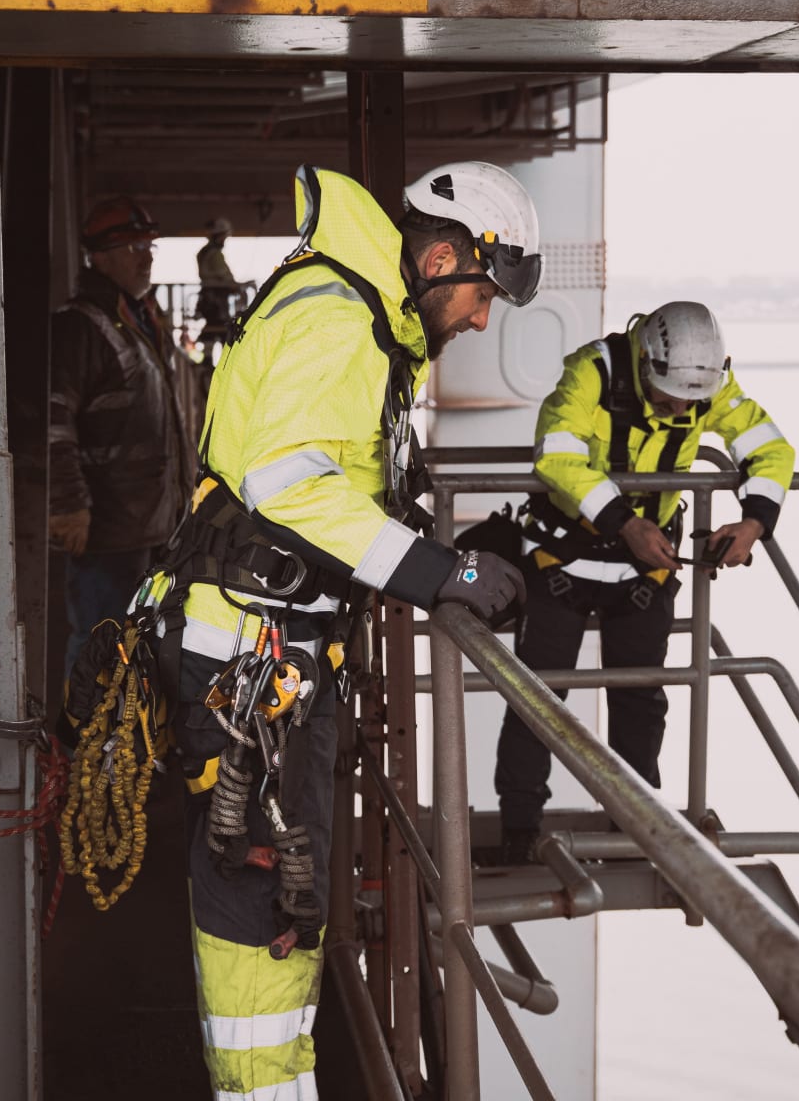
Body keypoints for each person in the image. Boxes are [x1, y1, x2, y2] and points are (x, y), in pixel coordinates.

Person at [157, 160, 538, 1099]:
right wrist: (442, 574)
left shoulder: (361, 313)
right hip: (251, 666)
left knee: (281, 899)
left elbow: (336, 479)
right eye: (483, 295)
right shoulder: (340, 321)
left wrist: (444, 551)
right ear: (442, 260)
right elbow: (289, 485)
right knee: (261, 906)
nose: (481, 320)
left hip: (266, 657)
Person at [494, 300, 795, 862]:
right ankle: (517, 832)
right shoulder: (591, 371)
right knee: (537, 699)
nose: (679, 409)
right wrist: (625, 523)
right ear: (644, 361)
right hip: (562, 560)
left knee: (641, 700)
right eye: (668, 397)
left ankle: (634, 825)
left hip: (644, 570)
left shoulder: (708, 387)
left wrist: (753, 522)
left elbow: (769, 448)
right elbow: (556, 455)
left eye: (690, 402)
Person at [49, 195, 190, 692]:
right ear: (100, 257)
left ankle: (123, 737)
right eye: (134, 248)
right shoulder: (79, 327)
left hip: (150, 524)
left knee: (139, 644)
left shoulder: (137, 320)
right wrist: (68, 504)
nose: (146, 257)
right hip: (108, 529)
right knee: (101, 642)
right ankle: (82, 738)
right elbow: (54, 421)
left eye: (149, 246)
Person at [194, 216, 246, 365]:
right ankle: (226, 362)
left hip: (208, 297)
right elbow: (223, 275)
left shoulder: (204, 252)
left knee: (212, 327)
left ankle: (208, 360)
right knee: (221, 328)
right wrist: (236, 286)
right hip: (216, 299)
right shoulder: (214, 254)